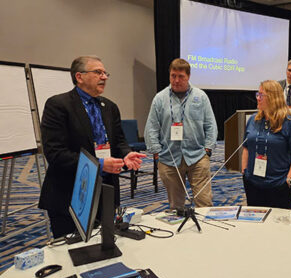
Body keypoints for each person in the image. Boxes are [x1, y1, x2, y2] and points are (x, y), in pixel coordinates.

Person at [38, 55, 144, 237]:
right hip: (71, 193)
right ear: (79, 77)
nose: (104, 77)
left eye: (105, 73)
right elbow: (55, 154)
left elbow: (119, 142)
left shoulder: (109, 107)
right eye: (98, 72)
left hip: (106, 191)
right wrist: (100, 164)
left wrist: (126, 155)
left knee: (105, 245)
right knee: (71, 252)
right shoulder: (58, 105)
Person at [144, 58, 217, 210]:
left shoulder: (201, 97)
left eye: (181, 76)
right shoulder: (160, 98)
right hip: (169, 159)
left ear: (188, 76)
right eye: (173, 76)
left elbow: (210, 124)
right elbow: (151, 127)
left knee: (204, 203)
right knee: (176, 207)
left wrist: (208, 149)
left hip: (197, 157)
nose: (176, 80)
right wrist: (156, 152)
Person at [242, 80, 291, 208]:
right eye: (257, 95)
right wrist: (245, 173)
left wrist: (288, 180)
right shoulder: (253, 120)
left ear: (273, 98)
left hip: (278, 185)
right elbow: (246, 148)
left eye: (261, 95)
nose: (257, 98)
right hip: (253, 183)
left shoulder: (289, 123)